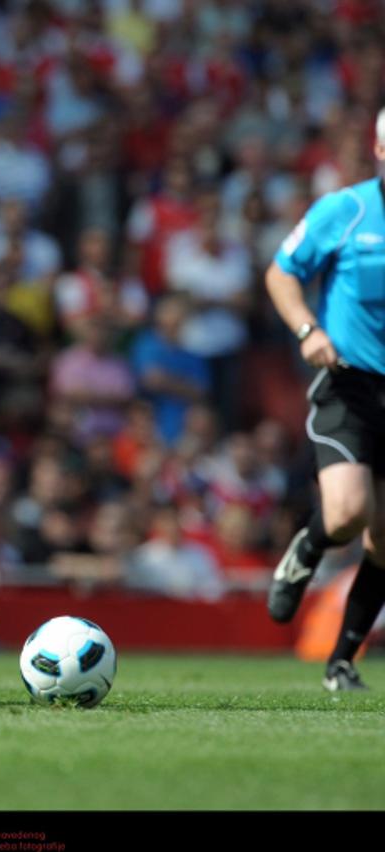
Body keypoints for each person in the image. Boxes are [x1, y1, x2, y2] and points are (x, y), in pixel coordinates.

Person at [263, 106, 385, 692]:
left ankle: (340, 661)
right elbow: (282, 273)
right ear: (380, 152)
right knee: (347, 513)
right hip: (350, 379)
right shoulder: (347, 209)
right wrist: (309, 331)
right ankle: (307, 547)